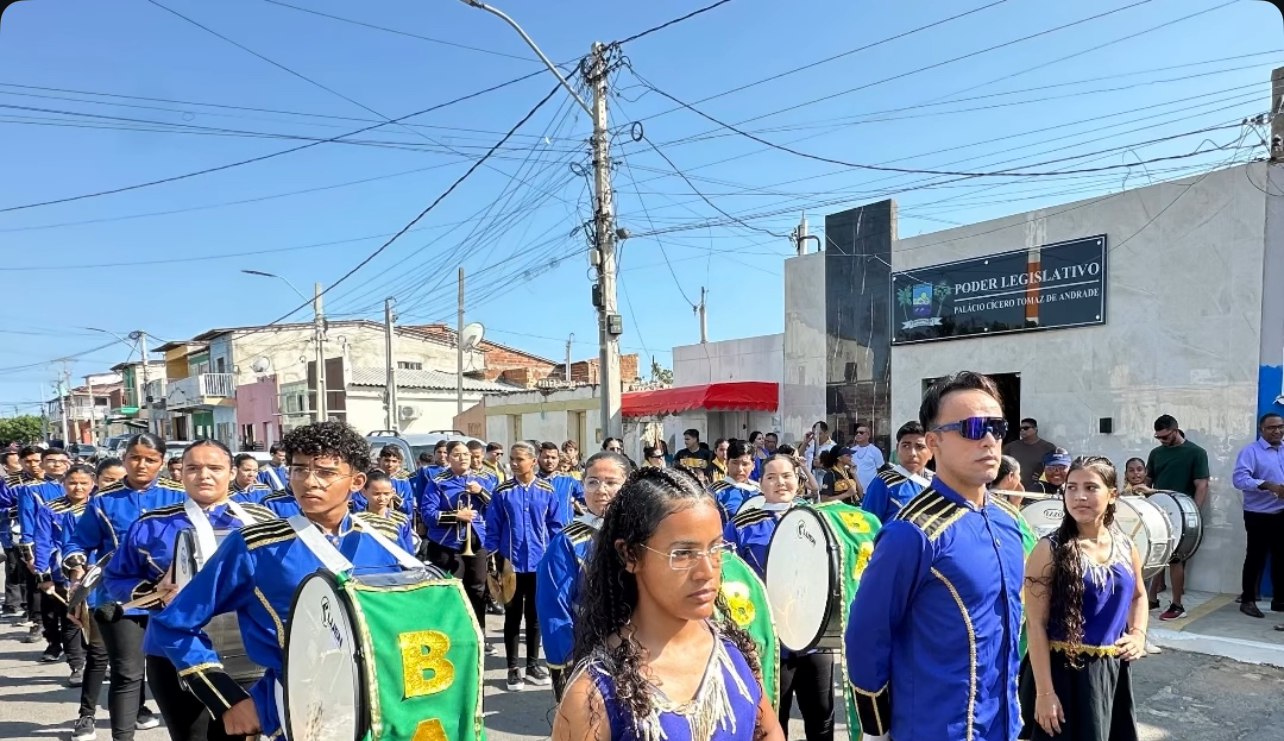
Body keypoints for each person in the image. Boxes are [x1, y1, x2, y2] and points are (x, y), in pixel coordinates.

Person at [148, 421, 418, 739]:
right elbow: (173, 623)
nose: (309, 482)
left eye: (326, 472)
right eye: (299, 469)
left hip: (378, 705)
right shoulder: (255, 546)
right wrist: (227, 699)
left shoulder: (385, 539)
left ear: (357, 481)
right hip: (293, 710)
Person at [845, 371, 1026, 741]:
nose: (990, 439)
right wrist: (877, 729)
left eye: (997, 427)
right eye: (974, 427)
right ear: (934, 441)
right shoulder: (912, 533)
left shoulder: (1009, 522)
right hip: (934, 726)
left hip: (1000, 724)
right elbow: (866, 633)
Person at [551, 466, 785, 741]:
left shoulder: (733, 653)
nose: (707, 571)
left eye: (715, 548)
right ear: (630, 555)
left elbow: (768, 730)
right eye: (683, 553)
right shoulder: (596, 692)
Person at [102, 440, 275, 741]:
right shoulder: (151, 524)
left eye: (215, 468)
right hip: (174, 650)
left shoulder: (261, 521)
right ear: (180, 473)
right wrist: (152, 590)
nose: (203, 475)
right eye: (193, 468)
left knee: (244, 734)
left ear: (231, 472)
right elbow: (116, 576)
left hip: (247, 646)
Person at [63, 433, 182, 741]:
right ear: (125, 457)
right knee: (127, 673)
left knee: (171, 674)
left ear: (162, 462)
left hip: (171, 598)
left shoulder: (179, 496)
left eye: (150, 459)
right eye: (135, 458)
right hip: (119, 598)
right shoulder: (103, 499)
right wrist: (77, 568)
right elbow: (79, 540)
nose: (141, 465)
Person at [1020, 456, 1147, 741]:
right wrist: (1045, 693)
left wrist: (1138, 634)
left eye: (1091, 488)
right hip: (1060, 675)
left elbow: (1139, 595)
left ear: (1112, 494)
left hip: (1111, 673)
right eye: (1072, 488)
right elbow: (1035, 625)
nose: (1079, 497)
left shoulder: (1126, 546)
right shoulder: (1049, 549)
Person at [725, 454, 834, 741]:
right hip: (771, 638)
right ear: (760, 483)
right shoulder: (742, 525)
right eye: (771, 477)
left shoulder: (820, 519)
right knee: (774, 715)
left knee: (821, 714)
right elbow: (728, 574)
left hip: (816, 636)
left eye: (786, 476)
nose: (780, 482)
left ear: (798, 481)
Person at [536, 450, 630, 700]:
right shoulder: (568, 541)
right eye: (592, 482)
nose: (601, 490)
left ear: (628, 486)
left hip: (641, 650)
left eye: (611, 482)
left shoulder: (643, 535)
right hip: (588, 651)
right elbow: (554, 609)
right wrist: (566, 664)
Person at [485, 442, 565, 690]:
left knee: (535, 615)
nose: (514, 463)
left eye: (519, 459)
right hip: (510, 564)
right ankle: (512, 668)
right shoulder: (502, 491)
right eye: (511, 459)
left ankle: (532, 665)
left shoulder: (547, 490)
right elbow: (492, 528)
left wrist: (555, 557)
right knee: (512, 615)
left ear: (533, 460)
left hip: (539, 564)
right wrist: (494, 561)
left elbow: (556, 526)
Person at [66, 458, 128, 741]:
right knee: (100, 654)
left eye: (119, 479)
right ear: (97, 483)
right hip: (102, 594)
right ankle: (86, 716)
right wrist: (78, 570)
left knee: (134, 661)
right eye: (108, 480)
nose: (114, 485)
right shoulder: (93, 509)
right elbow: (75, 546)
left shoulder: (143, 506)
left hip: (144, 597)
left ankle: (136, 710)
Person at [28, 461, 94, 683]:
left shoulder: (99, 505)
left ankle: (100, 663)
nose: (78, 488)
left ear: (92, 484)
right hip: (62, 572)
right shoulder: (51, 509)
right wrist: (43, 575)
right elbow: (43, 542)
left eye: (83, 483)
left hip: (96, 570)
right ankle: (77, 665)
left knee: (97, 620)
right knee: (71, 619)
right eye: (72, 483)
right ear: (63, 483)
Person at [420, 440, 493, 635]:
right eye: (457, 455)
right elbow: (427, 514)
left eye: (466, 455)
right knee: (450, 589)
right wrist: (456, 516)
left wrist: (481, 492)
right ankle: (449, 631)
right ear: (448, 457)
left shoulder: (484, 479)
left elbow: (497, 508)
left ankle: (478, 632)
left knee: (477, 588)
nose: (463, 458)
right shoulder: (437, 481)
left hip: (477, 542)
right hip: (447, 543)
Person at [1146, 415, 1209, 621]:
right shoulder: (1156, 453)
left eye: (1165, 436)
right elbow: (1148, 481)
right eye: (1158, 437)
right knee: (1157, 555)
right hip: (1158, 511)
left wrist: (1194, 513)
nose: (1162, 440)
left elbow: (1201, 485)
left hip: (1182, 512)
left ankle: (1177, 604)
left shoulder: (1196, 453)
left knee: (1175, 559)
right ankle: (1152, 598)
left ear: (1175, 430)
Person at [1231, 412, 1284, 620]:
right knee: (1256, 558)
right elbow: (1239, 479)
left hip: (1282, 513)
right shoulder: (1251, 452)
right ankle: (1248, 600)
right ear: (1261, 429)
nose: (1277, 431)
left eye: (1280, 426)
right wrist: (1266, 485)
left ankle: (1279, 599)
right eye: (1272, 427)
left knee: (1281, 558)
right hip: (1259, 514)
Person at [16, 446, 71, 647]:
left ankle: (82, 652)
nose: (57, 464)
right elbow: (27, 523)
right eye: (51, 460)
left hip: (76, 553)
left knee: (77, 603)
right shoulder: (31, 489)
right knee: (48, 601)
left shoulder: (79, 484)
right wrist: (30, 557)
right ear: (43, 464)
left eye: (61, 460)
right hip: (46, 552)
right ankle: (53, 642)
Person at [862, 421, 934, 524]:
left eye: (919, 447)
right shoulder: (884, 482)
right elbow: (867, 525)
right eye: (906, 446)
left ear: (931, 451)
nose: (912, 453)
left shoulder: (937, 483)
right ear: (897, 449)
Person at [710, 439, 760, 522]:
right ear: (726, 463)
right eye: (735, 463)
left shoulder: (759, 491)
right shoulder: (714, 492)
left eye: (745, 464)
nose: (739, 469)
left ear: (753, 465)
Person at [1004, 418, 1058, 491]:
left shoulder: (1048, 448)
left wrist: (1044, 475)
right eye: (1021, 429)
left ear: (1035, 429)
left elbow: (1056, 468)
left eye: (1026, 428)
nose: (1022, 431)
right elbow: (1001, 464)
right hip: (1014, 490)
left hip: (1039, 491)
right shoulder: (1011, 447)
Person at [847, 422, 885, 491]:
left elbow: (881, 470)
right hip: (854, 490)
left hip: (870, 490)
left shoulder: (875, 451)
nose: (858, 434)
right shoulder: (851, 451)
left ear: (868, 435)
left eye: (861, 433)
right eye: (856, 433)